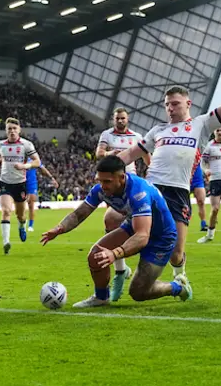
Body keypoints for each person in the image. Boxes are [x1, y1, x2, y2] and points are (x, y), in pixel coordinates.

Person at [118, 73, 221, 277]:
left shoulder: (201, 124)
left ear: (188, 103)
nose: (170, 108)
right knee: (114, 219)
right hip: (151, 189)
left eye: (175, 103)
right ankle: (120, 271)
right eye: (167, 104)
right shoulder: (158, 130)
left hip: (177, 191)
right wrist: (108, 166)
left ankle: (179, 275)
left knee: (176, 252)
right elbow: (132, 153)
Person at [41, 156, 191, 307]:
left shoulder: (139, 193)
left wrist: (115, 253)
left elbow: (142, 236)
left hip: (160, 238)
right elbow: (79, 214)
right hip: (134, 226)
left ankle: (178, 287)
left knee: (138, 292)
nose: (102, 186)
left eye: (107, 181)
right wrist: (59, 228)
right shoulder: (101, 190)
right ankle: (101, 298)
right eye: (100, 180)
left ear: (121, 177)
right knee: (96, 255)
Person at [95, 108, 149, 280]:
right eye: (117, 118)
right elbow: (99, 154)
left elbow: (147, 157)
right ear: (113, 119)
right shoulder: (107, 135)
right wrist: (112, 153)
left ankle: (125, 266)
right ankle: (121, 268)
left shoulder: (137, 137)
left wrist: (151, 172)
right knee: (112, 220)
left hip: (131, 183)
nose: (120, 120)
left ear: (128, 119)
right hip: (113, 184)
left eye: (123, 118)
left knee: (117, 220)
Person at [0, 117, 41, 254]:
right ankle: (6, 243)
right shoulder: (1, 145)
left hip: (20, 184)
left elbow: (37, 161)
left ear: (19, 130)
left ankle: (21, 226)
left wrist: (24, 165)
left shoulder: (26, 145)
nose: (12, 131)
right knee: (6, 211)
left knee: (21, 215)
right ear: (6, 131)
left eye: (14, 128)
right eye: (9, 129)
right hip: (5, 183)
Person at [25, 158, 57, 232]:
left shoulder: (33, 158)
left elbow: (42, 169)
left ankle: (30, 225)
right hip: (20, 182)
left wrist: (51, 178)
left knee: (31, 203)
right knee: (20, 204)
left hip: (31, 183)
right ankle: (22, 220)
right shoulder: (18, 157)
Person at [190, 163, 208, 231]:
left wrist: (206, 173)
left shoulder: (197, 153)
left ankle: (203, 224)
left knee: (201, 201)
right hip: (184, 179)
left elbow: (204, 162)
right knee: (183, 203)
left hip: (197, 179)